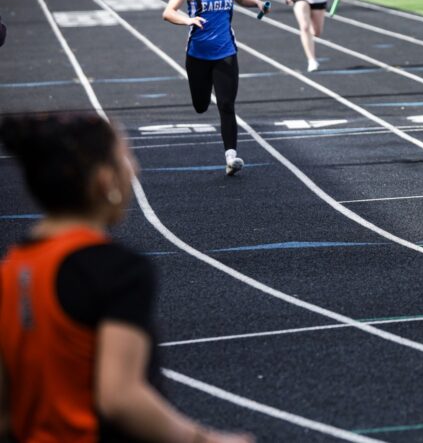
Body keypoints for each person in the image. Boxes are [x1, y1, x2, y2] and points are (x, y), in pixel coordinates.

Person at [0, 113, 252, 443]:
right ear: (105, 180)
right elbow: (119, 396)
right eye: (127, 157)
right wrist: (205, 439)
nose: (136, 169)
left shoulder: (11, 268)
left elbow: (6, 410)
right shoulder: (115, 270)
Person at [162, 0, 268, 174]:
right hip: (198, 56)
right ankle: (205, 89)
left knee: (227, 105)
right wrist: (187, 19)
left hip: (226, 53)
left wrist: (258, 3)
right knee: (200, 106)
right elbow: (168, 12)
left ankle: (231, 157)